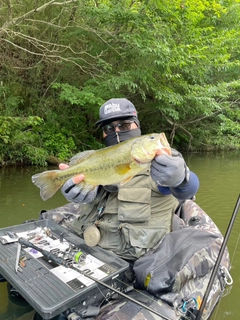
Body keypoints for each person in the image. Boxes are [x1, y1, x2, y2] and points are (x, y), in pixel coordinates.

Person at [58, 98, 199, 261]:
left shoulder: (162, 160)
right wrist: (79, 194)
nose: (116, 132)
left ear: (137, 125)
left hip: (133, 260)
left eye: (124, 125)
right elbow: (87, 186)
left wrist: (181, 179)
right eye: (109, 128)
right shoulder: (99, 159)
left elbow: (186, 190)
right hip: (88, 250)